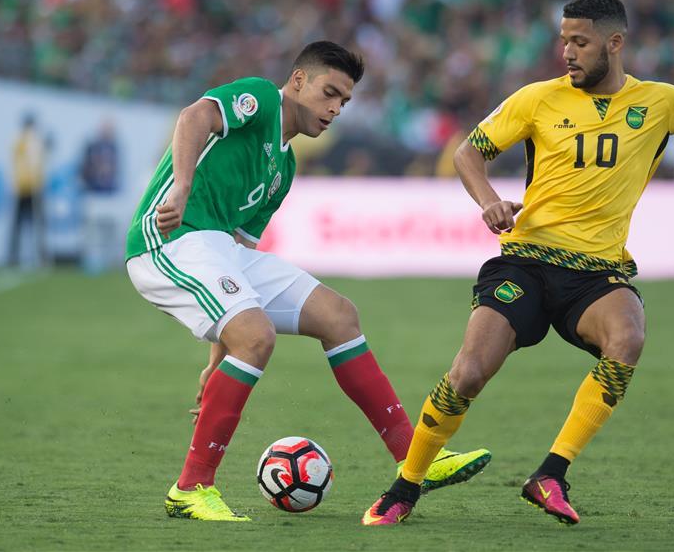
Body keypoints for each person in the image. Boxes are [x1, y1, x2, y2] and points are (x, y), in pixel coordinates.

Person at [361, 0, 674, 526]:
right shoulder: (537, 99)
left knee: (629, 337)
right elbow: (467, 153)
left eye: (580, 42)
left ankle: (551, 473)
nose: (567, 53)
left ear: (614, 43)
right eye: (564, 41)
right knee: (468, 374)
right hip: (526, 260)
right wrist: (489, 201)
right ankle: (405, 487)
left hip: (597, 273)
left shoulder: (658, 103)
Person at [124, 41, 490, 522]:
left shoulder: (285, 168)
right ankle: (190, 489)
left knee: (338, 316)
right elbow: (193, 117)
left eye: (345, 101)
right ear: (298, 81)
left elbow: (237, 264)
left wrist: (221, 355)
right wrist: (182, 186)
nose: (336, 108)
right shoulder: (260, 99)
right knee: (258, 336)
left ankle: (415, 457)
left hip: (219, 249)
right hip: (167, 240)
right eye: (330, 93)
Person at [80, 119, 121, 273]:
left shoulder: (114, 148)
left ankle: (108, 261)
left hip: (109, 196)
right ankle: (91, 262)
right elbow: (84, 169)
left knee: (110, 230)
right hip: (94, 194)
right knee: (92, 232)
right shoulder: (92, 147)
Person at [8, 112, 47, 267]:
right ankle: (13, 257)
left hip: (35, 187)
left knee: (39, 225)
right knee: (18, 224)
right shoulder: (20, 141)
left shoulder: (35, 142)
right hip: (22, 188)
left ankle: (40, 257)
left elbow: (39, 162)